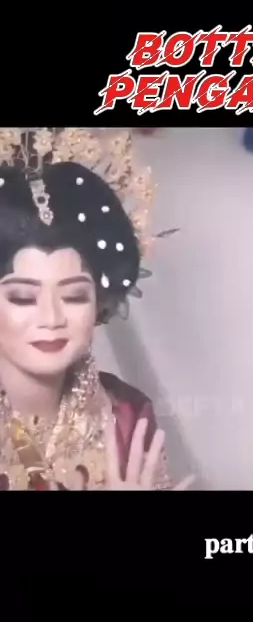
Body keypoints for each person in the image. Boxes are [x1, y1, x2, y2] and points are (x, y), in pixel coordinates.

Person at [0, 127, 194, 491]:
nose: (52, 318)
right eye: (23, 298)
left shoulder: (125, 415)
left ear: (99, 303)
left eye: (74, 296)